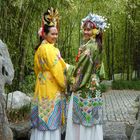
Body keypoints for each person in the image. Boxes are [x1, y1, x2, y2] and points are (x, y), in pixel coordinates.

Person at [65, 13, 109, 140]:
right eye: (84, 29)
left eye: (88, 29)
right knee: (92, 120)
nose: (85, 31)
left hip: (84, 86)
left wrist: (66, 68)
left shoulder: (89, 47)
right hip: (94, 86)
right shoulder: (99, 46)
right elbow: (101, 71)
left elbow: (80, 70)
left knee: (81, 118)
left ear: (95, 31)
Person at [30, 8, 67, 140]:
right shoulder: (50, 49)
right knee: (50, 115)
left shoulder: (40, 48)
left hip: (41, 84)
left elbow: (36, 70)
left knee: (42, 113)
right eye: (52, 34)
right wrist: (66, 83)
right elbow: (57, 70)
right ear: (44, 34)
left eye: (56, 34)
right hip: (51, 86)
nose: (55, 36)